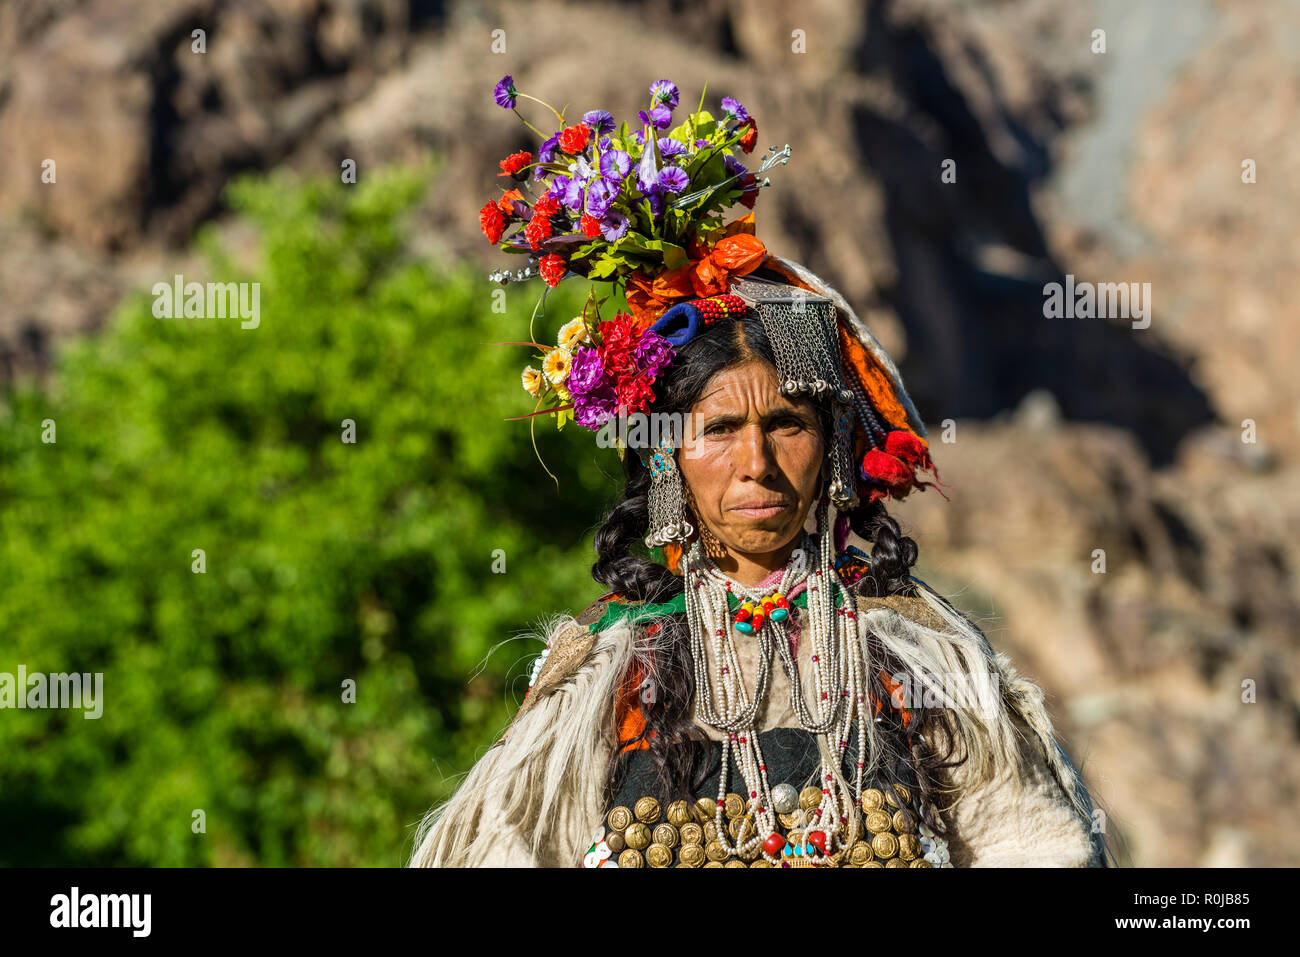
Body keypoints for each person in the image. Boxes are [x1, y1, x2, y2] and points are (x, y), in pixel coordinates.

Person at [409, 76, 1113, 868]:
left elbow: (1039, 847)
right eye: (721, 430)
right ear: (666, 452)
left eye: (787, 424)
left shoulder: (918, 659)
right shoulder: (607, 672)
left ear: (834, 442)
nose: (758, 463)